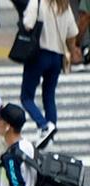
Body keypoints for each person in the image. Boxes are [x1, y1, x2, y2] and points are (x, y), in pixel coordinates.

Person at [20, 0, 81, 147]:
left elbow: (28, 24)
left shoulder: (38, 2)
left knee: (26, 96)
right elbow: (72, 32)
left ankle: (43, 125)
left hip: (39, 54)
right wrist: (72, 51)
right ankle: (50, 134)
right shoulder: (64, 5)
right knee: (49, 95)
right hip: (57, 57)